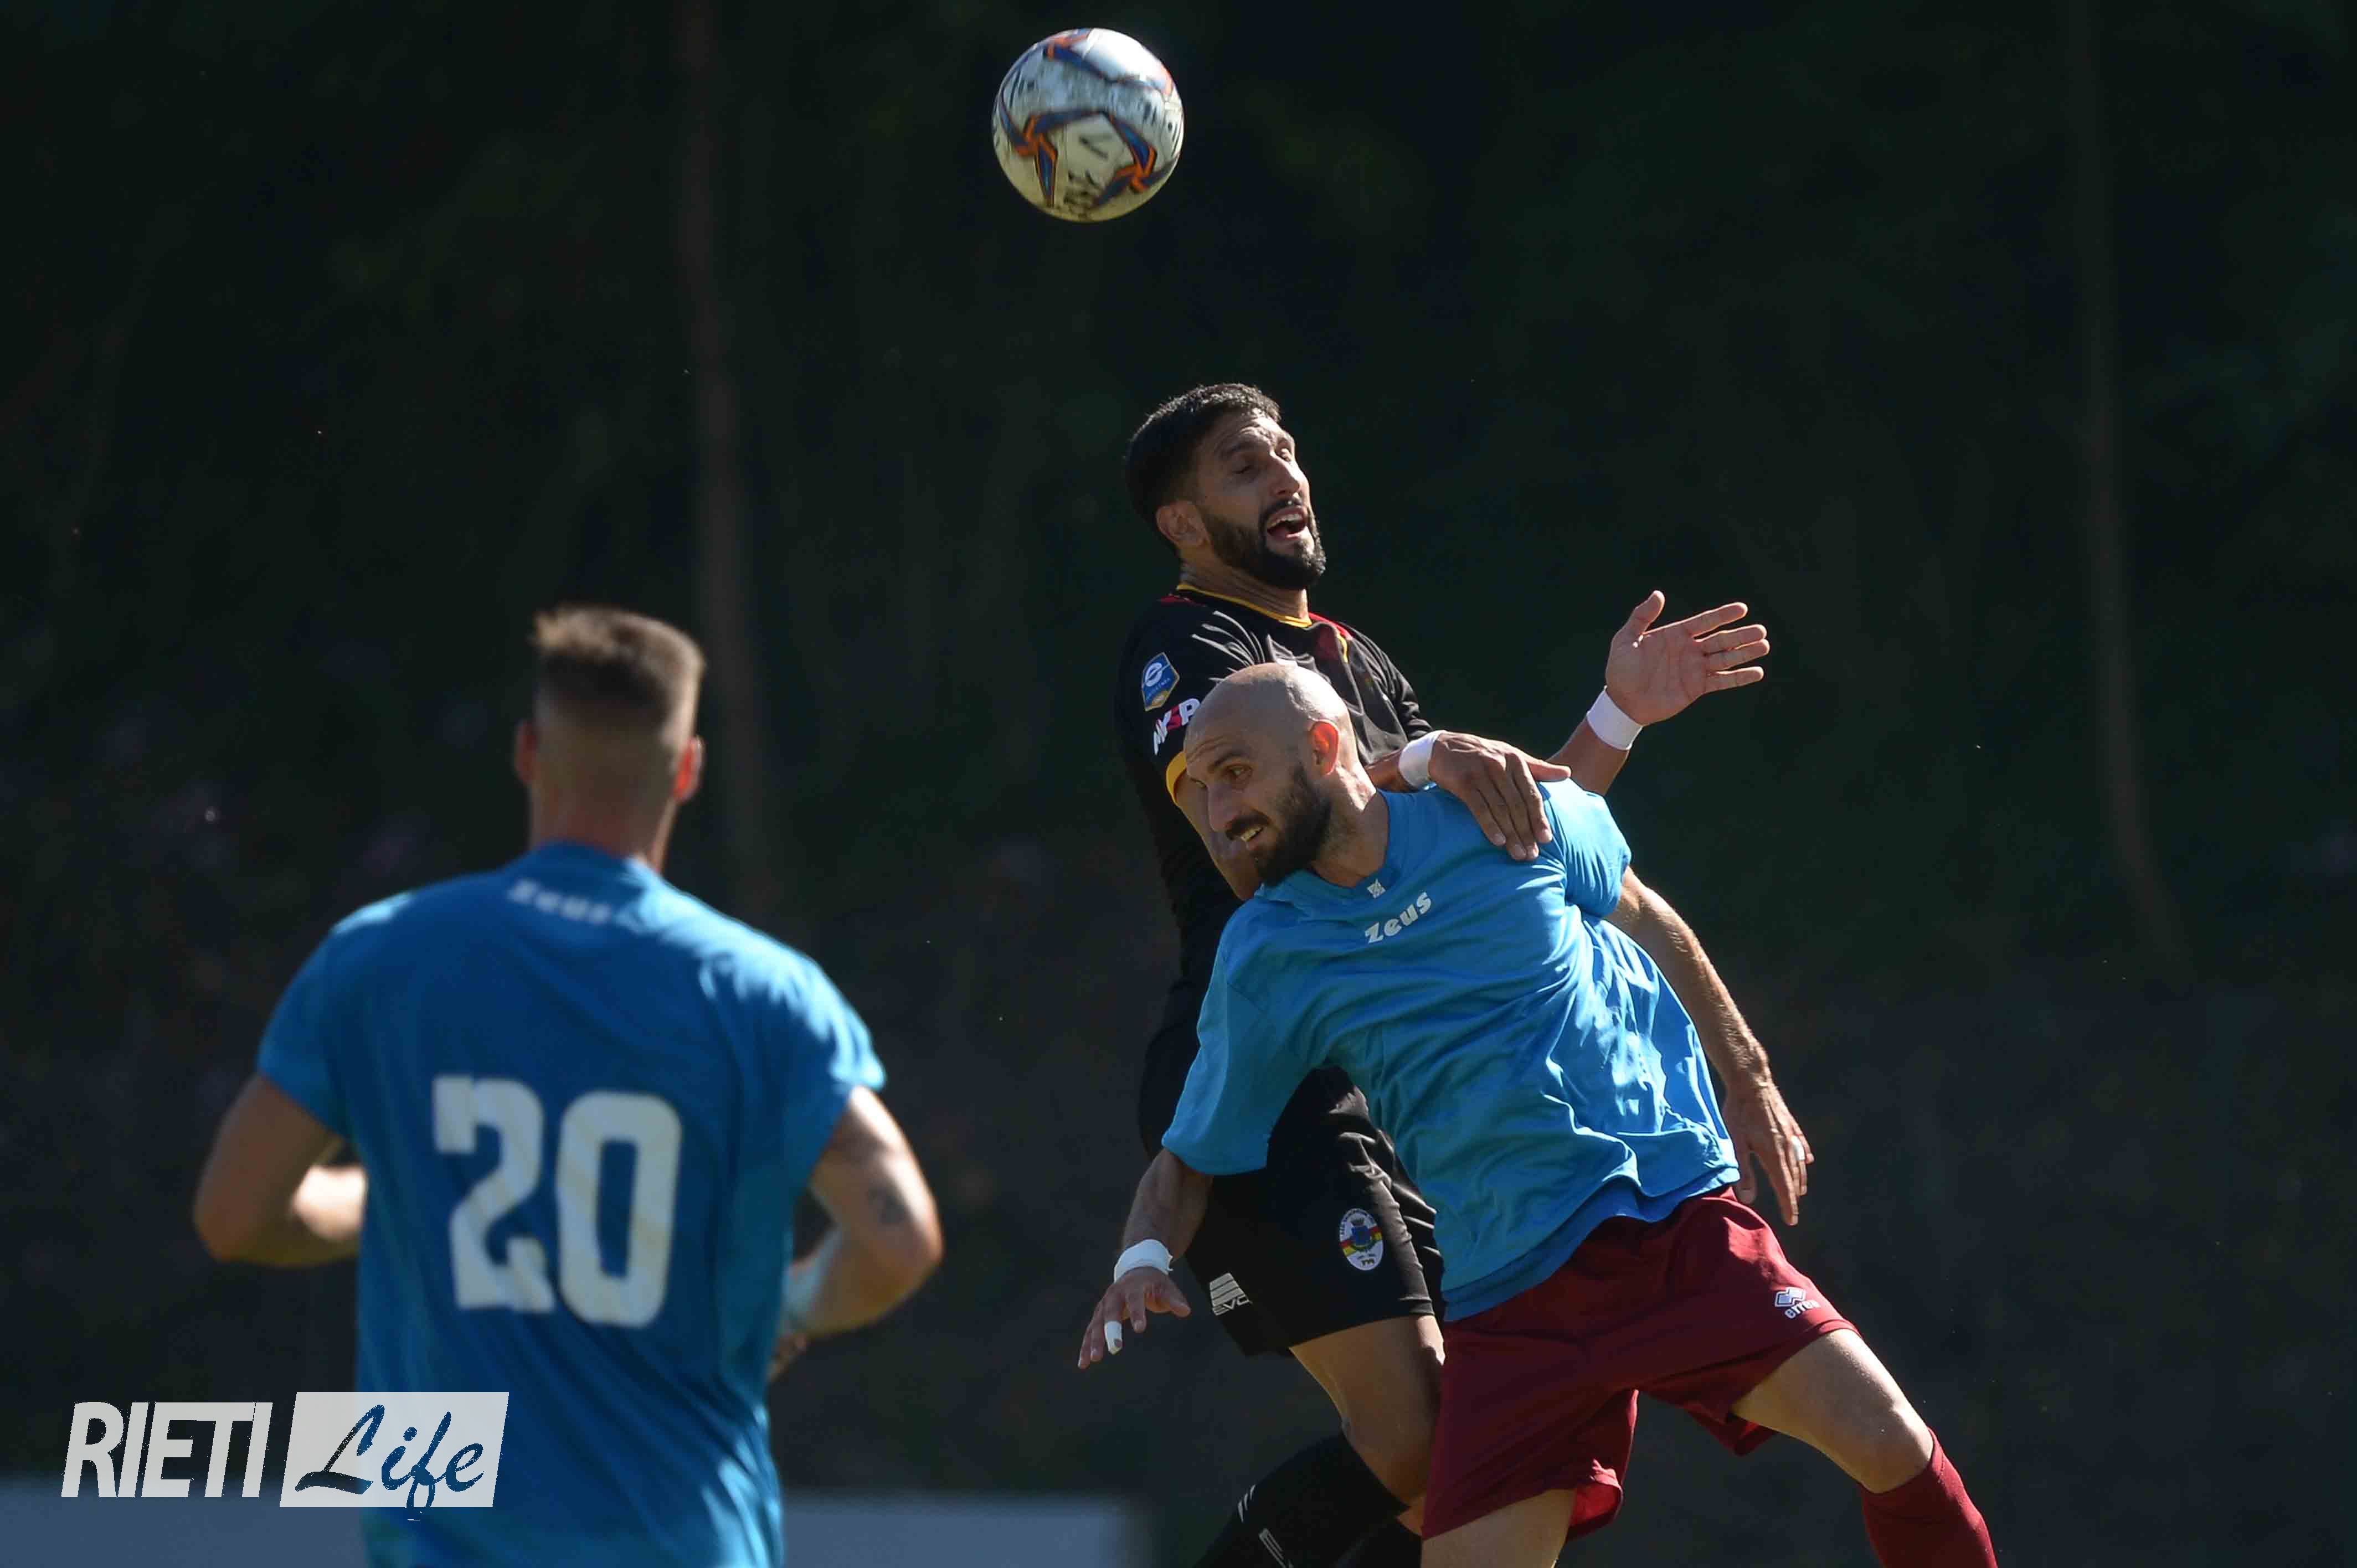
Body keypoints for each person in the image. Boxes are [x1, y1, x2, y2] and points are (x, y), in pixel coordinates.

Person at [1082, 664, 1997, 1568]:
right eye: (1201, 790)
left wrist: (1748, 1075)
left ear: (1324, 748)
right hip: (1507, 1307)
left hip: (1665, 1229)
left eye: (1234, 772)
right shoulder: (1266, 952)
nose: (1216, 813)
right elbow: (1193, 1151)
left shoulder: (1494, 812)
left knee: (1894, 1449)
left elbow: (1640, 911)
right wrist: (1141, 1258)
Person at [1109, 383, 1772, 1565]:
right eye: (1244, 466)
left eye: (1287, 451)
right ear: (1182, 523)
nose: (1286, 476)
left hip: (1386, 1085)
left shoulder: (1353, 658)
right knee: (1421, 1440)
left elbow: (1502, 842)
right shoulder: (1184, 647)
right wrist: (1419, 756)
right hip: (1262, 1091)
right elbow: (1256, 814)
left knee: (1480, 1463)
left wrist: (1617, 717)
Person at [193, 606, 942, 1567]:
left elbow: (234, 1217)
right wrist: (791, 1310)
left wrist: (401, 1195)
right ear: (688, 770)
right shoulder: (761, 996)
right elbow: (897, 1242)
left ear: (527, 753)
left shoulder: (381, 961)